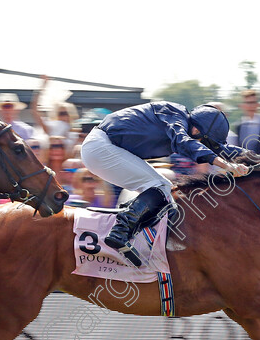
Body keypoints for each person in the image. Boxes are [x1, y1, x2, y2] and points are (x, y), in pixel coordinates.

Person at [81, 101, 250, 266]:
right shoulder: (173, 113)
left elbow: (221, 149)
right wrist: (225, 165)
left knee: (163, 189)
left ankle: (132, 234)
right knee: (160, 186)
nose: (203, 145)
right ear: (197, 130)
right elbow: (184, 142)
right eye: (204, 141)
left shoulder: (189, 125)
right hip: (100, 146)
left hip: (104, 148)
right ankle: (121, 231)